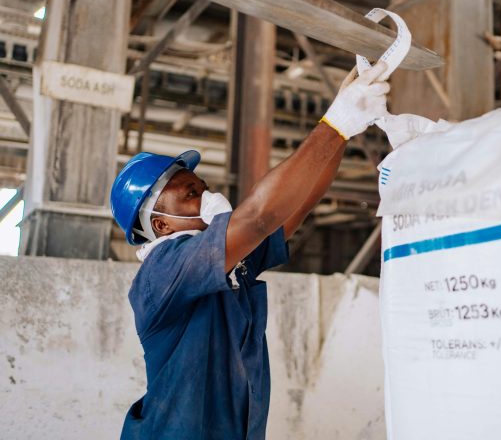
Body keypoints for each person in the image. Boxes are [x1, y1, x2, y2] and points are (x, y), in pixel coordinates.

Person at [110, 61, 389, 440]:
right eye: (191, 194)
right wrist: (335, 122)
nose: (207, 196)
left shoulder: (227, 264)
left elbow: (297, 205)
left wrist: (344, 131)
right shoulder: (162, 272)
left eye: (203, 187)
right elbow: (256, 217)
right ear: (160, 224)